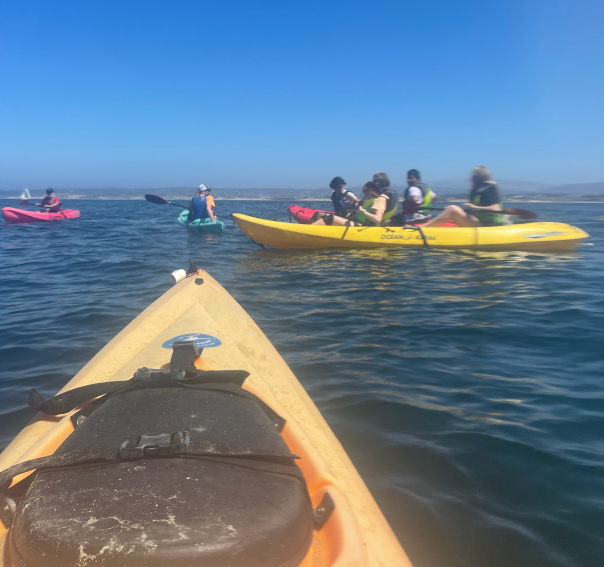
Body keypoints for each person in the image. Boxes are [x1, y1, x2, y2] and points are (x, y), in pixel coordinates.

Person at [421, 166, 503, 228]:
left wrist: (474, 207)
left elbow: (496, 209)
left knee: (452, 209)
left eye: (474, 176)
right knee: (451, 210)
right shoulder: (480, 190)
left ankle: (423, 228)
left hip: (487, 227)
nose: (472, 178)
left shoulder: (490, 188)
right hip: (480, 223)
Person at [312, 172, 399, 227]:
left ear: (376, 184)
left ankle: (306, 232)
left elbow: (377, 219)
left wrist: (361, 210)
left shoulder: (380, 200)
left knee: (330, 218)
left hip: (361, 226)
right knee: (320, 215)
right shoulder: (383, 197)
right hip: (359, 222)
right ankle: (307, 229)